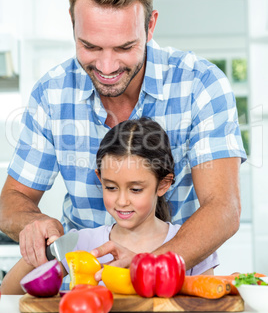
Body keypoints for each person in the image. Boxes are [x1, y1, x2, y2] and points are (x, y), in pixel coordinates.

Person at [0, 0, 246, 273]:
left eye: (124, 48)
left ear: (151, 25)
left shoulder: (201, 84)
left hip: (171, 279)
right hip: (81, 286)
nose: (106, 67)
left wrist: (147, 267)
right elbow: (12, 200)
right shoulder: (51, 93)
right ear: (72, 24)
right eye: (90, 47)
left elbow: (224, 208)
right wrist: (32, 222)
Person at [1, 118, 219, 294]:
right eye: (111, 187)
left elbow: (204, 301)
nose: (122, 201)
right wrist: (43, 248)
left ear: (163, 184)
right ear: (100, 178)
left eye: (135, 189)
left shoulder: (191, 243)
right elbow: (8, 294)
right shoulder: (82, 243)